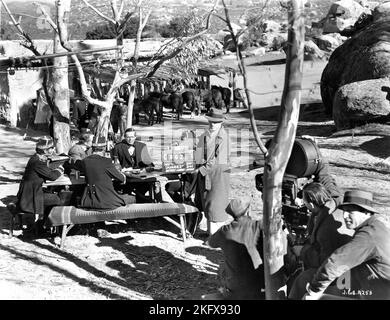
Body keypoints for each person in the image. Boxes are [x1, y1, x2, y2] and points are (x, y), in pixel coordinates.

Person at [303, 190, 390, 300]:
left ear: (366, 212)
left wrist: (313, 291)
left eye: (350, 212)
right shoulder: (379, 223)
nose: (345, 215)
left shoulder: (369, 235)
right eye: (344, 211)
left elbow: (334, 263)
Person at [288, 182, 354, 299]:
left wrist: (303, 252)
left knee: (300, 280)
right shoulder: (331, 210)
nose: (304, 203)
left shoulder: (326, 228)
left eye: (305, 201)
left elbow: (325, 261)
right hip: (344, 266)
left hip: (340, 275)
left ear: (312, 204)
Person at [204, 198, 265, 300]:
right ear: (248, 211)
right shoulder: (258, 226)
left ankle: (225, 291)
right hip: (260, 287)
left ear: (231, 214)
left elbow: (209, 243)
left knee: (222, 267)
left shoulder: (224, 231)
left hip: (235, 292)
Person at [15, 137, 64, 234]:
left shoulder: (35, 158)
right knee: (57, 199)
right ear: (45, 150)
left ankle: (43, 223)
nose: (53, 149)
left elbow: (46, 170)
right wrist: (60, 170)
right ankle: (46, 224)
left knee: (51, 196)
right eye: (51, 148)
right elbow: (52, 176)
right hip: (30, 196)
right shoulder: (38, 162)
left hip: (29, 192)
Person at [194, 108, 231, 235]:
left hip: (218, 175)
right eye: (210, 121)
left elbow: (218, 159)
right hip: (206, 173)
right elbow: (200, 151)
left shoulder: (223, 137)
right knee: (206, 201)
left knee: (216, 203)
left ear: (221, 123)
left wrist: (202, 169)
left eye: (216, 122)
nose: (212, 124)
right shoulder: (205, 135)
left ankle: (216, 237)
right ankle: (211, 233)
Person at [75, 136, 135, 210]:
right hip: (107, 202)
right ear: (104, 148)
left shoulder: (85, 161)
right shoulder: (106, 162)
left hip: (89, 201)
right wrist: (122, 173)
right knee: (133, 198)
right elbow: (121, 179)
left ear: (92, 148)